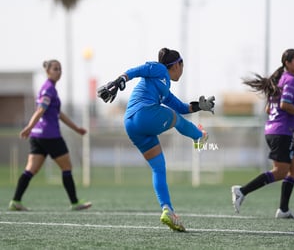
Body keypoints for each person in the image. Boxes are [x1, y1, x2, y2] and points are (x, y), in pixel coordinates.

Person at [97, 47, 214, 232]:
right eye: (182, 65)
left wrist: (200, 106)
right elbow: (139, 70)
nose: (182, 69)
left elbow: (183, 107)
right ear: (176, 65)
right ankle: (199, 136)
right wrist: (120, 80)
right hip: (143, 115)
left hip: (131, 125)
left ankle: (168, 211)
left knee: (159, 167)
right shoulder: (160, 69)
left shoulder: (162, 87)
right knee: (173, 117)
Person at [231, 48, 294, 218]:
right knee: (280, 172)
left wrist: (293, 111)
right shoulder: (290, 80)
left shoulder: (279, 80)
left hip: (276, 130)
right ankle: (242, 191)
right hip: (281, 132)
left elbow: (269, 107)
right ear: (287, 63)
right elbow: (284, 105)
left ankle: (283, 210)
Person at [9, 60, 92, 211]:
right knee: (67, 166)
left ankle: (15, 200)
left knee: (30, 170)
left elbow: (58, 113)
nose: (58, 71)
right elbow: (41, 110)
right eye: (55, 69)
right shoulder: (49, 89)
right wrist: (28, 127)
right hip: (50, 135)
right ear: (48, 72)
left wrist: (76, 128)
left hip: (37, 136)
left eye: (60, 69)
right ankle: (74, 202)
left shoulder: (48, 88)